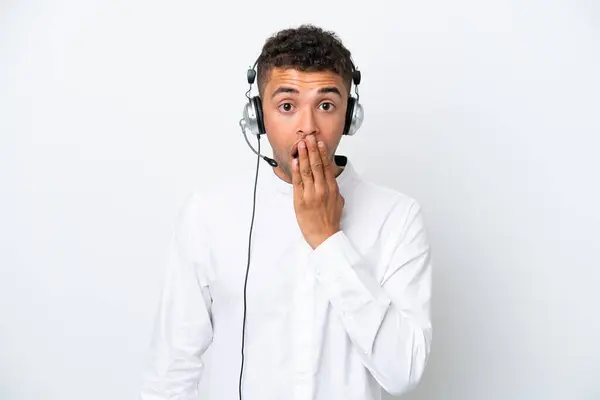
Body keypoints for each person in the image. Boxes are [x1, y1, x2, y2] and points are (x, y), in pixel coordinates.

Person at [138, 24, 432, 400]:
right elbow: (169, 375)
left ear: (349, 115)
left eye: (326, 106)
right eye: (287, 106)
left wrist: (327, 240)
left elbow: (404, 373)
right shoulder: (208, 214)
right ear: (258, 115)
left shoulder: (398, 218)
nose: (307, 128)